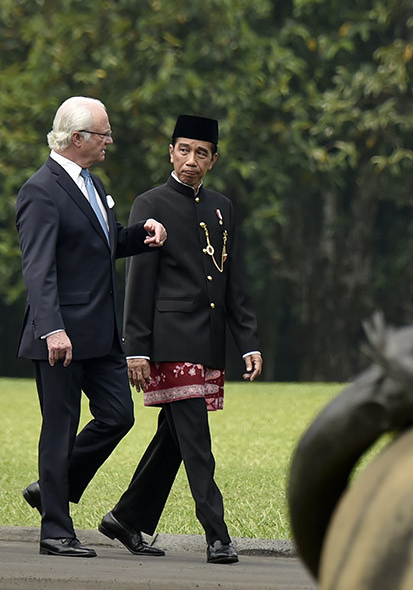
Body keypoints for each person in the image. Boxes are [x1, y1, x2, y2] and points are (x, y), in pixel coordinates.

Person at [98, 114, 263, 564]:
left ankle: (125, 518)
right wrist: (137, 349)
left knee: (173, 437)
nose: (191, 160)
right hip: (168, 343)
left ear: (213, 159)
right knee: (195, 440)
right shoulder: (148, 203)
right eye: (184, 150)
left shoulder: (223, 208)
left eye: (202, 153)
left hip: (207, 341)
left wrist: (248, 341)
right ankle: (217, 534)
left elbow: (235, 282)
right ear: (171, 152)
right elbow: (138, 285)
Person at [15, 96, 167, 558]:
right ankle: (55, 531)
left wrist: (140, 235)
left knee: (119, 415)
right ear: (77, 138)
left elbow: (101, 245)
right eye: (103, 134)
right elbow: (38, 268)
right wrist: (51, 329)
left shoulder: (92, 183)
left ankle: (52, 489)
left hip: (100, 335)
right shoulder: (40, 190)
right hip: (59, 337)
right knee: (58, 429)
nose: (110, 140)